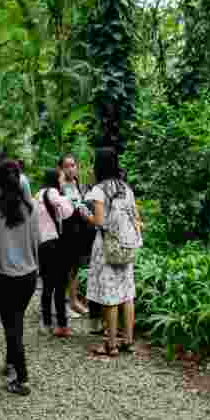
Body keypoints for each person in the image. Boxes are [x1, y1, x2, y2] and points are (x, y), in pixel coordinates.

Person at [0, 159, 41, 395]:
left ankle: (22, 377)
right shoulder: (31, 206)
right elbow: (37, 241)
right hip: (29, 275)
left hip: (3, 275)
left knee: (12, 325)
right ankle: (10, 363)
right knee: (15, 320)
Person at [84, 147, 143, 357]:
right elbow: (137, 218)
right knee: (127, 294)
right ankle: (128, 340)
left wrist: (85, 215)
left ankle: (111, 345)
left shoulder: (99, 190)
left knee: (110, 295)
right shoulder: (126, 188)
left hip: (107, 247)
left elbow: (99, 222)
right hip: (126, 246)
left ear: (98, 165)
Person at [36, 169, 75, 336]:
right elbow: (68, 212)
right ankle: (61, 324)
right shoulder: (52, 192)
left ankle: (45, 322)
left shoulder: (38, 194)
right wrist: (67, 199)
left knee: (47, 285)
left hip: (42, 244)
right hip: (55, 244)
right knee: (60, 285)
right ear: (55, 180)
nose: (62, 180)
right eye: (60, 178)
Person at [58, 154, 92, 320]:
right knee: (65, 268)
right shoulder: (59, 186)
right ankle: (64, 304)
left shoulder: (79, 184)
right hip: (65, 231)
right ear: (61, 168)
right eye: (67, 166)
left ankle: (73, 300)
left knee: (75, 267)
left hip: (79, 230)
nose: (71, 168)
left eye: (73, 165)